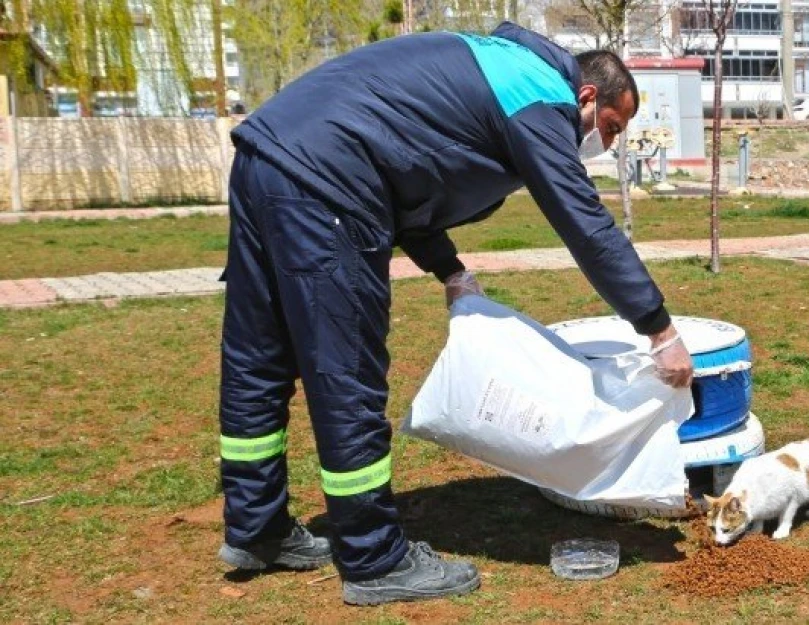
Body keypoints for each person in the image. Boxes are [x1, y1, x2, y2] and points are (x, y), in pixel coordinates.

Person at [215, 21, 695, 606]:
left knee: (258, 360)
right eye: (611, 129)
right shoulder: (542, 94)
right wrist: (659, 330)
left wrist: (450, 270)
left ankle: (256, 531)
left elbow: (412, 177)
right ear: (588, 97)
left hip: (267, 156)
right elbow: (586, 226)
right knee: (346, 375)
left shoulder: (502, 69)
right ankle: (373, 559)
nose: (608, 144)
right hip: (328, 182)